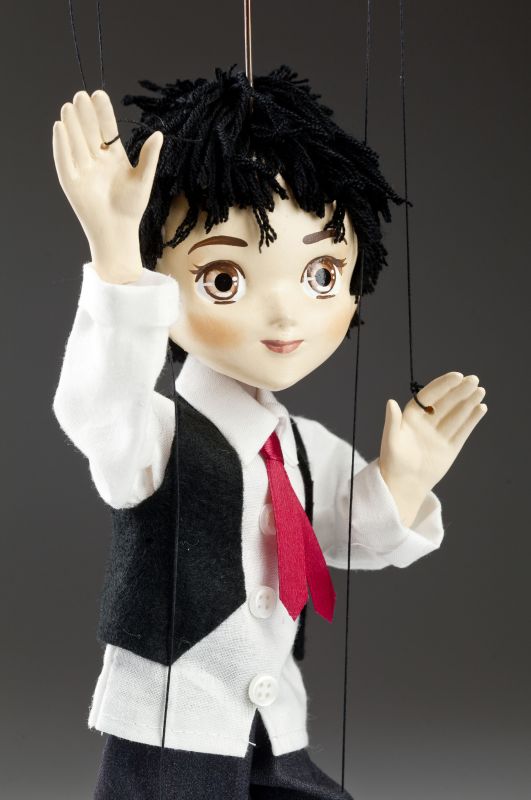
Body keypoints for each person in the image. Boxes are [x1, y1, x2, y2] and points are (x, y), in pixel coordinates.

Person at [52, 66, 487, 799]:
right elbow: (98, 411)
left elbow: (347, 533)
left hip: (271, 732)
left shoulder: (301, 446)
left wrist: (403, 478)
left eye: (322, 274)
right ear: (162, 275)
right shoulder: (157, 431)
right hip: (170, 734)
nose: (286, 317)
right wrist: (117, 259)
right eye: (224, 278)